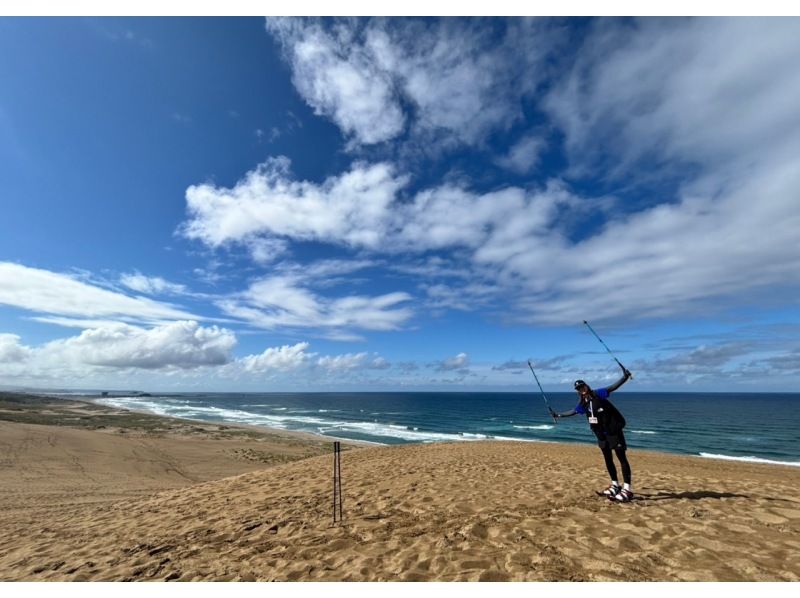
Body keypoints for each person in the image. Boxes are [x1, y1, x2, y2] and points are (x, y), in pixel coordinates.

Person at [550, 366, 634, 502]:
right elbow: (573, 411)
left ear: (586, 386)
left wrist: (624, 377)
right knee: (608, 460)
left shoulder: (598, 394)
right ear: (577, 391)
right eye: (578, 388)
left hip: (613, 432)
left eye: (582, 386)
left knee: (621, 458)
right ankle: (615, 485)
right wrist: (558, 415)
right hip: (601, 435)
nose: (581, 389)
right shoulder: (583, 403)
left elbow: (612, 387)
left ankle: (627, 490)